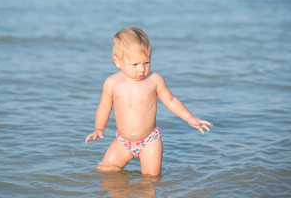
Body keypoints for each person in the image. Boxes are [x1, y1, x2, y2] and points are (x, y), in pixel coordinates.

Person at [85, 27, 213, 176]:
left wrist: (189, 118)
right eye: (135, 64)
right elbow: (104, 107)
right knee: (105, 171)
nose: (142, 69)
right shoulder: (112, 83)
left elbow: (171, 100)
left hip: (149, 141)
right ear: (117, 61)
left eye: (146, 62)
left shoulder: (154, 80)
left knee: (151, 179)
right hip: (122, 142)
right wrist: (99, 128)